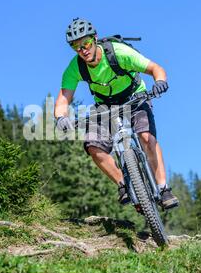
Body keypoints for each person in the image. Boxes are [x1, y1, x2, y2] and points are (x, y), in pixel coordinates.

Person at [54, 18, 179, 210]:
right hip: (105, 106)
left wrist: (160, 81)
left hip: (134, 96)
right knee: (93, 146)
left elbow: (155, 68)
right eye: (76, 47)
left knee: (147, 138)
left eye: (86, 43)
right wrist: (61, 117)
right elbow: (63, 98)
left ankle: (163, 189)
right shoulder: (75, 68)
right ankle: (125, 185)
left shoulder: (117, 52)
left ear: (95, 39)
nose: (83, 50)